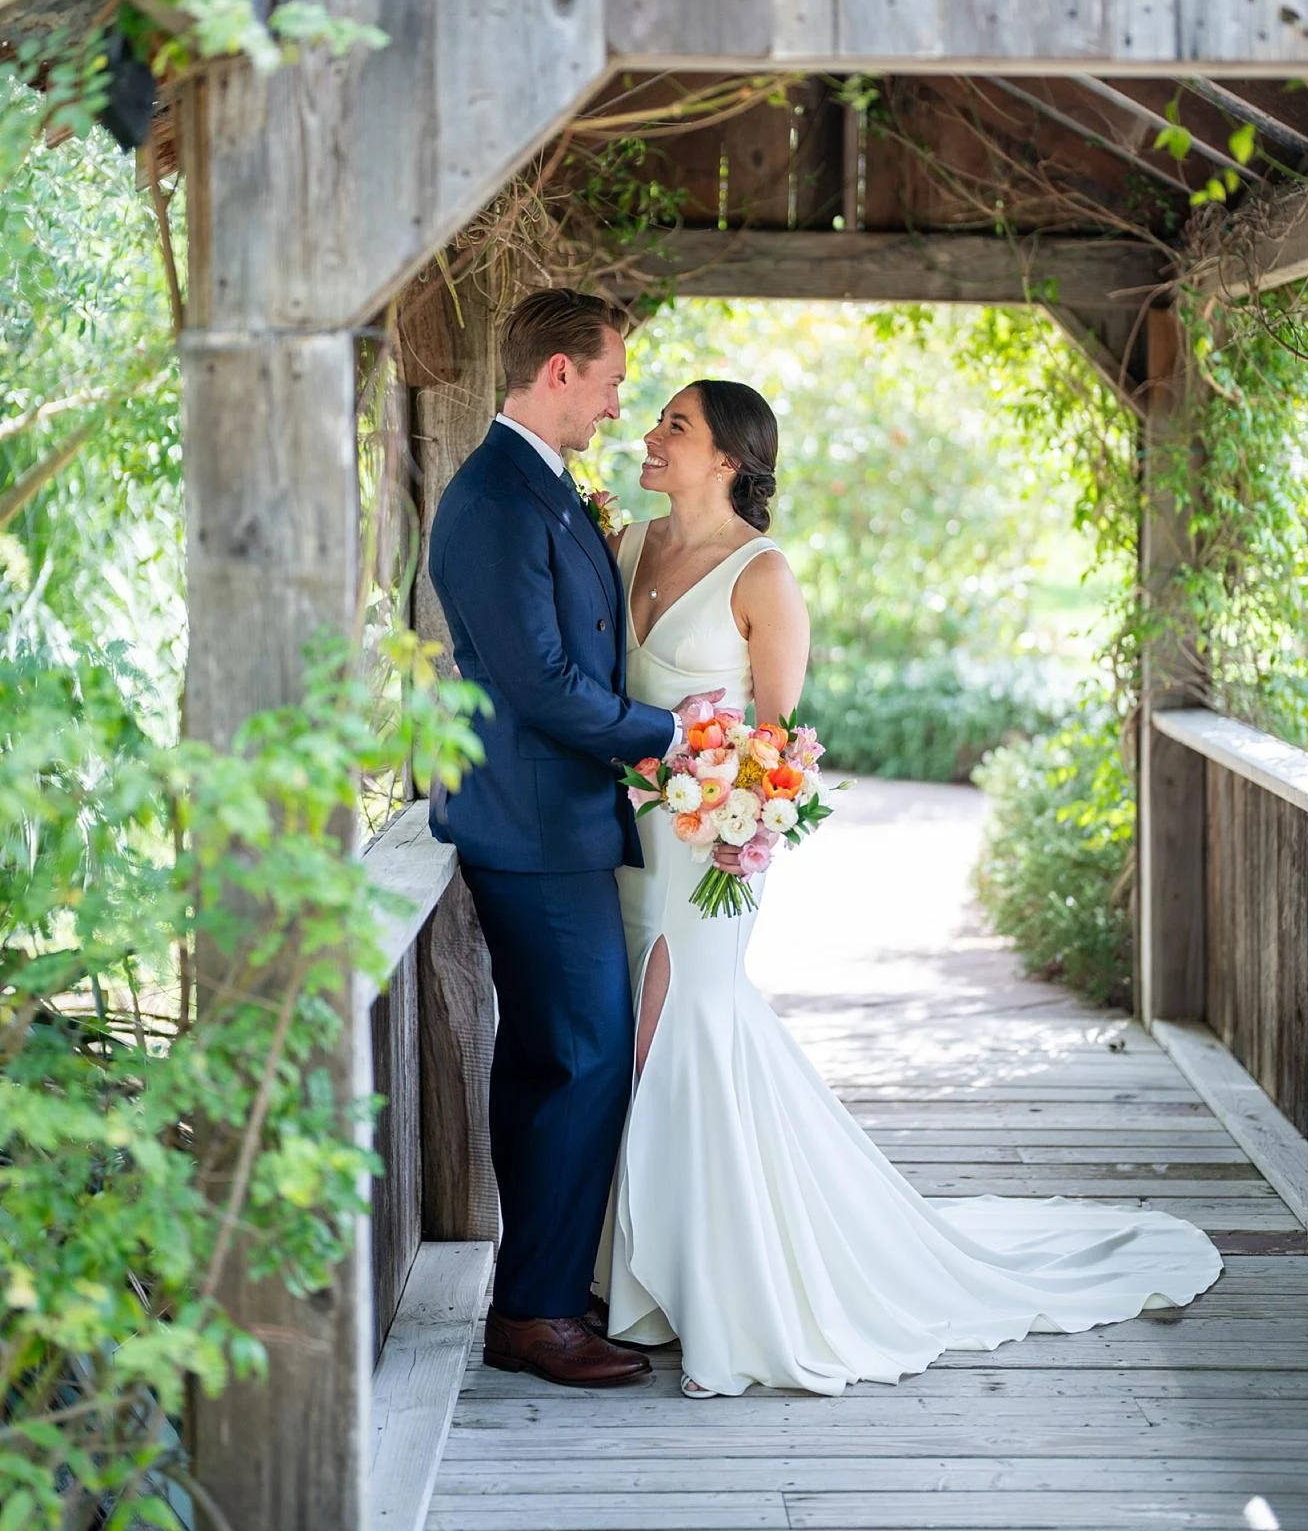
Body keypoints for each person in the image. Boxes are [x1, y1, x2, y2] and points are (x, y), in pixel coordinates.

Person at [594, 377, 1223, 1398]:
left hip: (711, 844)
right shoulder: (624, 547)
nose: (652, 434)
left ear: (727, 459)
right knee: (633, 1029)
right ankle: (636, 1276)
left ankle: (712, 1284)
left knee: (686, 1027)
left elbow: (778, 739)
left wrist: (732, 820)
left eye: (676, 424)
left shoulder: (762, 573)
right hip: (624, 836)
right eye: (657, 416)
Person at [427, 288, 720, 1390]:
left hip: (557, 814)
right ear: (557, 370)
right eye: (607, 380)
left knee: (552, 1054)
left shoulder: (541, 487)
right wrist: (674, 733)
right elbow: (540, 683)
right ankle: (536, 1311)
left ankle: (542, 1286)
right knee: (586, 1052)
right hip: (534, 823)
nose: (614, 403)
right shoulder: (495, 499)